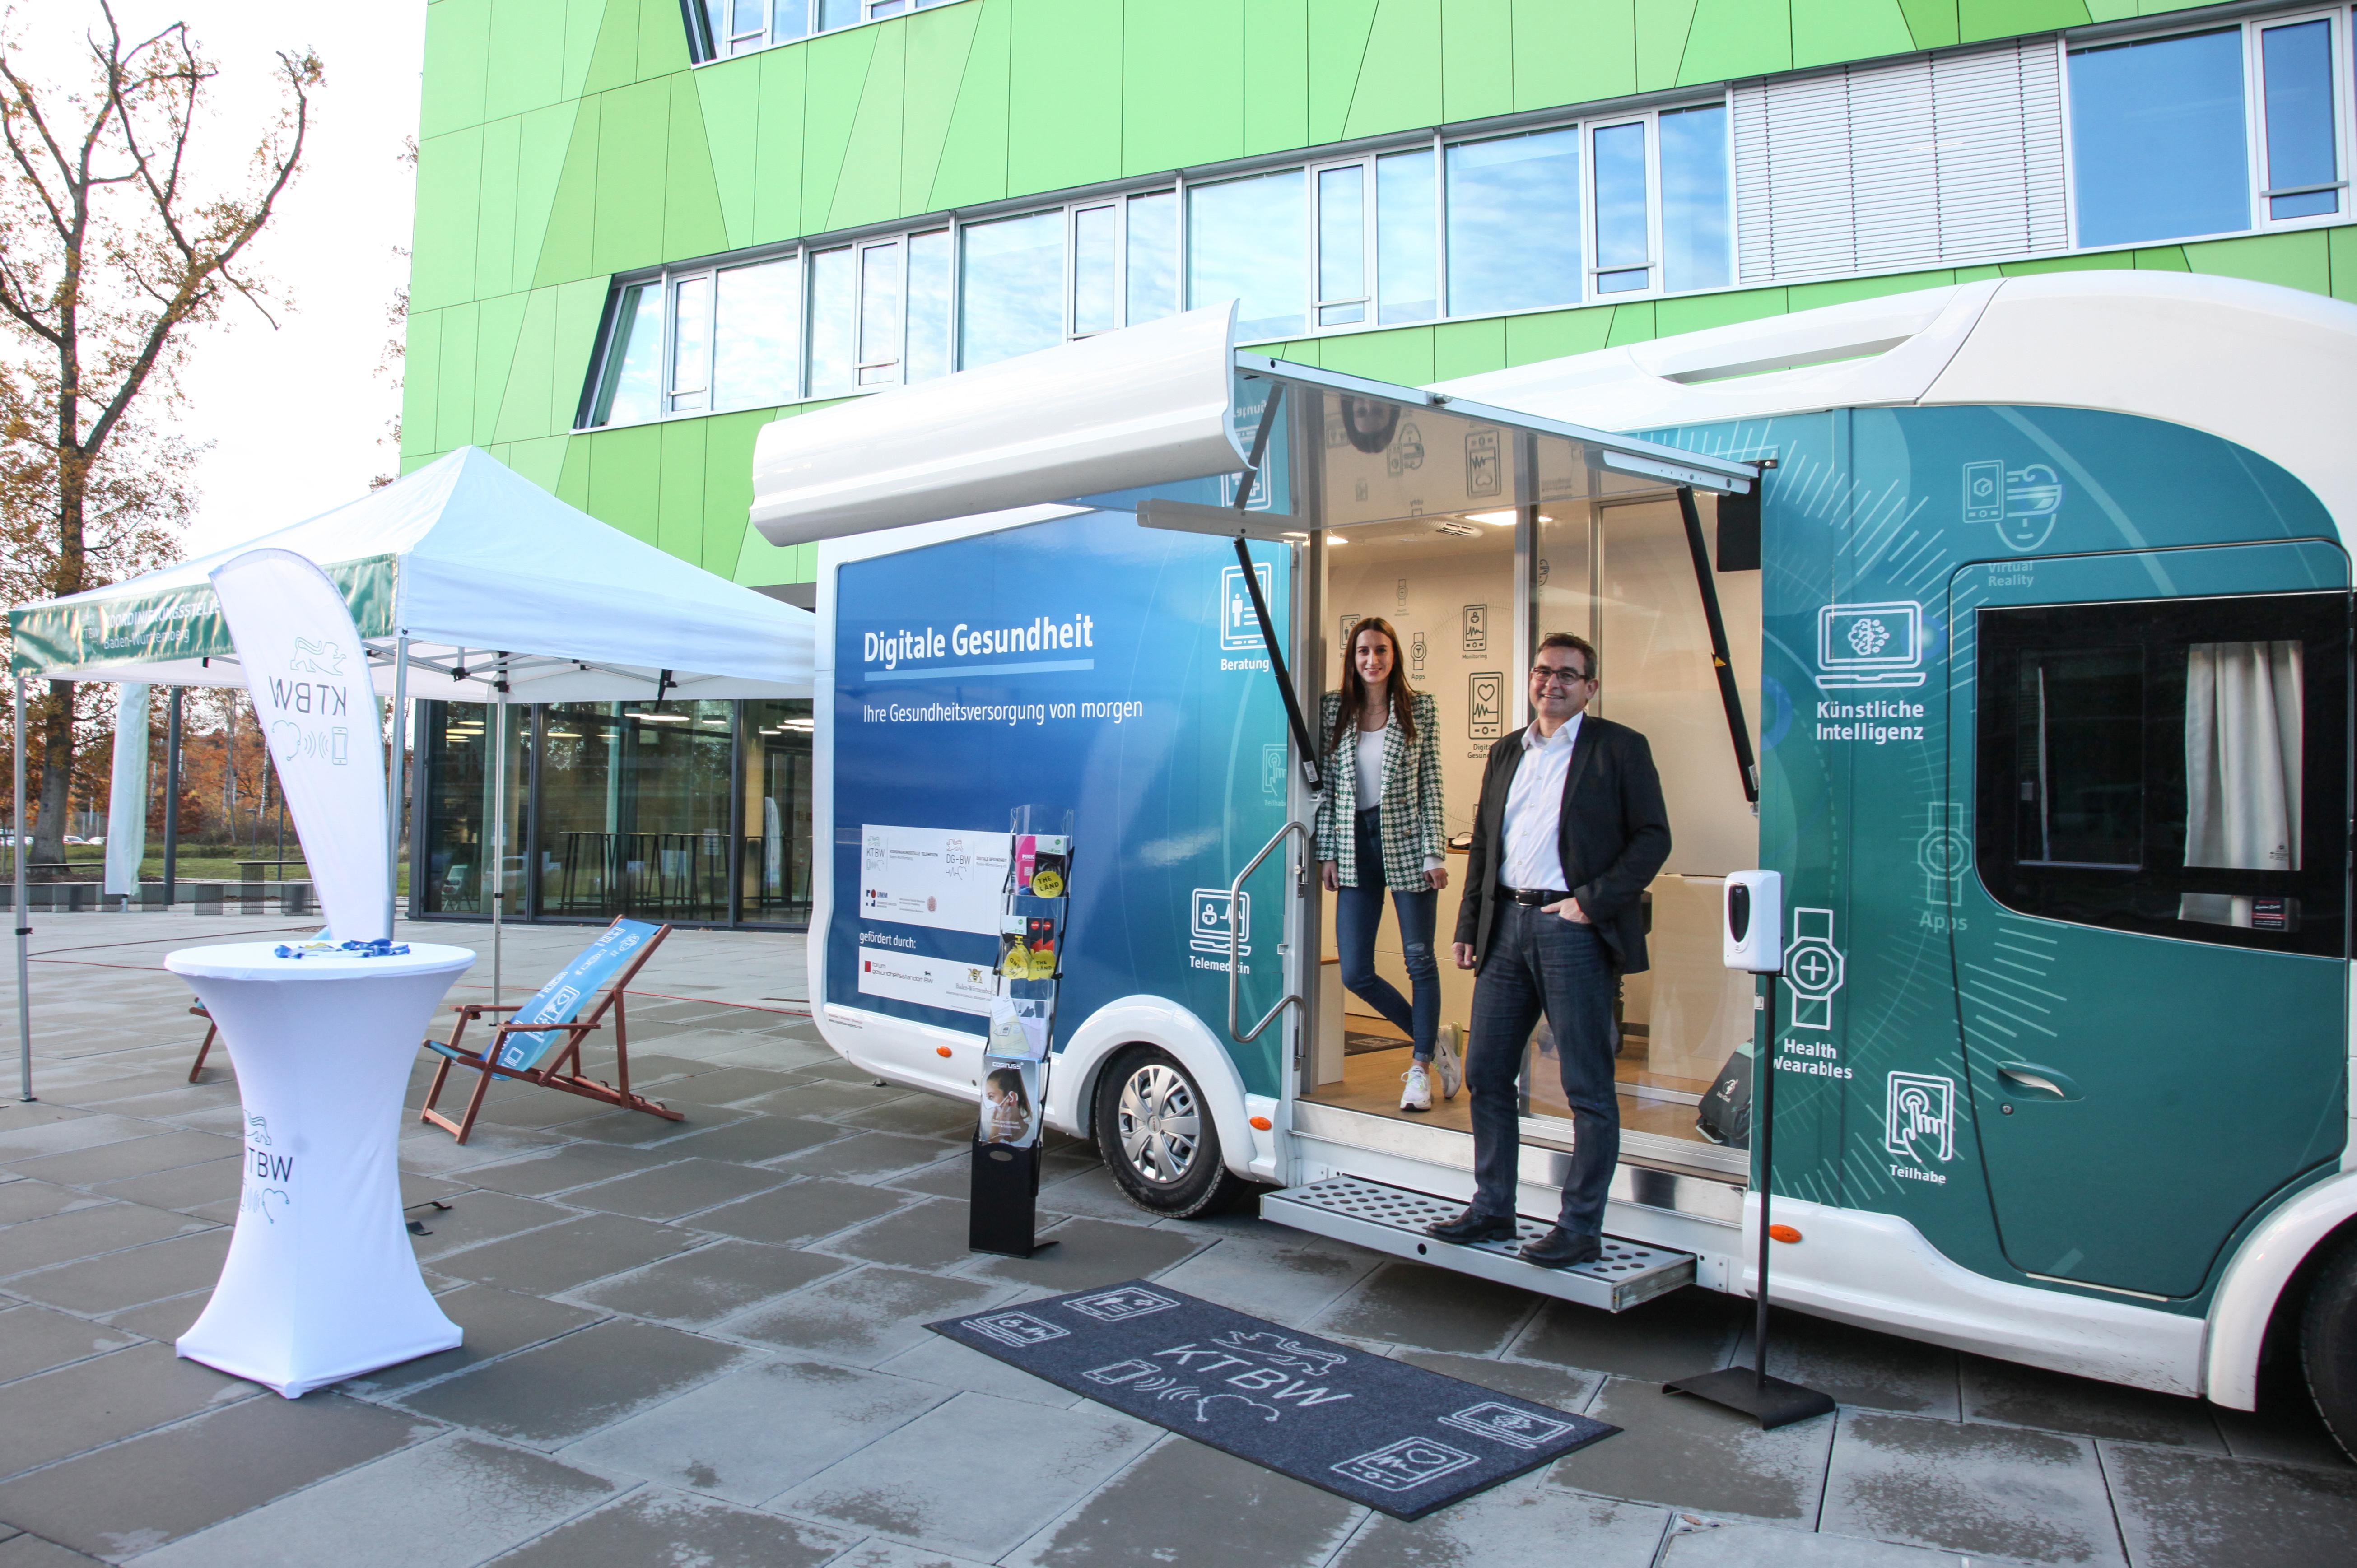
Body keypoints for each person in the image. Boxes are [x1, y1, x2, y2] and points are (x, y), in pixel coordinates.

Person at [1428, 632, 1670, 1266]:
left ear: (1591, 687)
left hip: (1574, 928)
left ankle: (1580, 1226)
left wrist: (1593, 900)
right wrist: (1468, 924)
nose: (1552, 682)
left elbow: (1652, 838)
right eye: (1543, 671)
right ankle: (1492, 1209)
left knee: (1586, 1085)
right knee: (1485, 1072)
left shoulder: (1619, 748)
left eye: (1568, 674)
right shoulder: (1509, 750)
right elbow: (1484, 842)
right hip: (1506, 925)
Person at [1314, 617, 1462, 1112]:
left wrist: (1434, 853)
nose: (1372, 660)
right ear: (1352, 658)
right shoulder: (1334, 709)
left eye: (1380, 650)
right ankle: (1436, 1040)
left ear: (1394, 654)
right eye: (1363, 652)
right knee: (1356, 970)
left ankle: (1420, 1067)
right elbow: (1329, 790)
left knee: (1420, 959)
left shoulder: (1419, 708)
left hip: (1406, 843)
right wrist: (1328, 851)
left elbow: (1433, 782)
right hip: (1355, 843)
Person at [982, 1065, 1034, 1145]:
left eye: (991, 1096)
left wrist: (993, 1138)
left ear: (1012, 1098)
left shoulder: (1032, 1139)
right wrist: (994, 1137)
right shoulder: (988, 1132)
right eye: (987, 1097)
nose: (989, 1102)